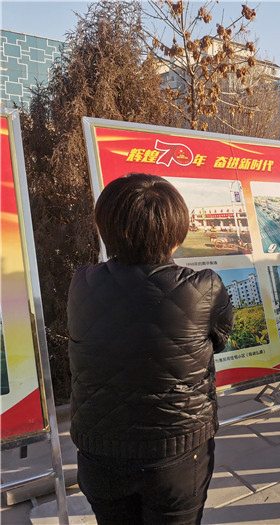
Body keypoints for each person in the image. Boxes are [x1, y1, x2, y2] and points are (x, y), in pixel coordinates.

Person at [68, 173, 234, 524]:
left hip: (100, 449)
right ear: (177, 230)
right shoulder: (204, 285)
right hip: (176, 450)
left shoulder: (82, 281)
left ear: (105, 227)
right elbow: (218, 340)